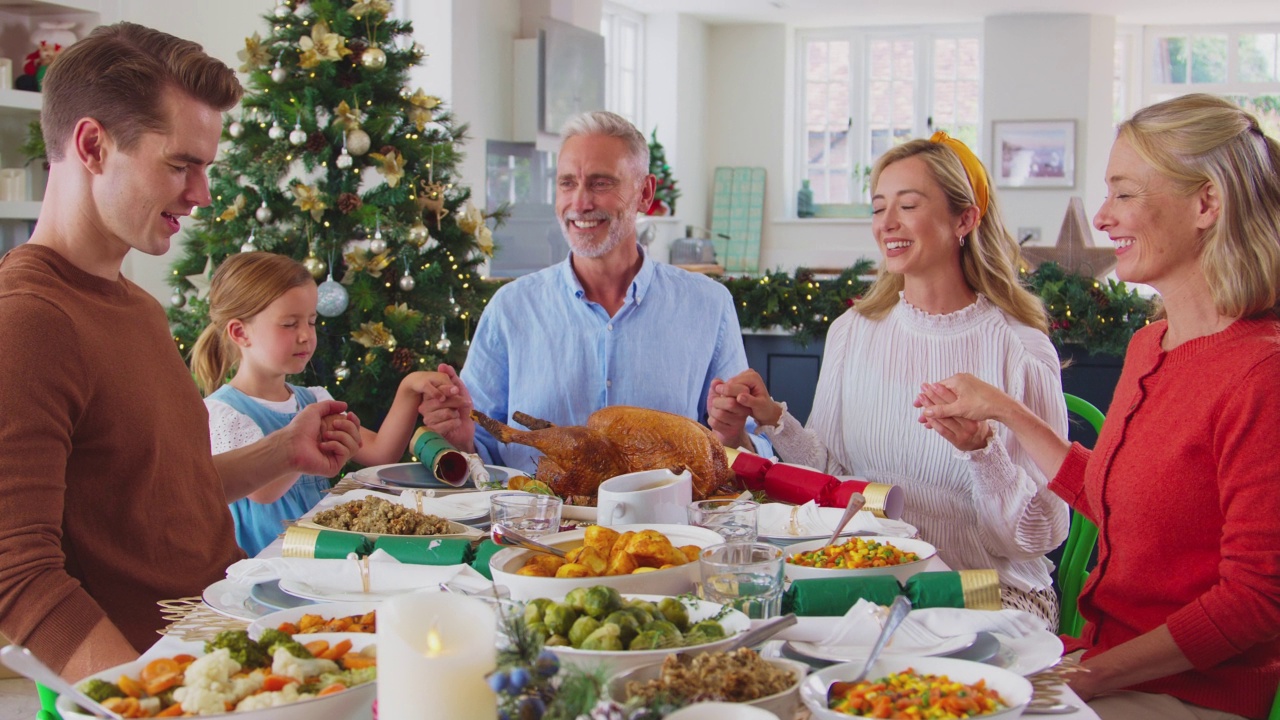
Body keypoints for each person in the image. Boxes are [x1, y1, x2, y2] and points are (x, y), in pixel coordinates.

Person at [0, 23, 361, 679]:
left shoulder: (135, 307)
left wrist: (283, 451)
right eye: (179, 165)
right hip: (166, 678)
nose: (200, 196)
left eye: (205, 167)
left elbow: (164, 492)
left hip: (228, 638)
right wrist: (154, 698)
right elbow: (16, 575)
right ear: (92, 146)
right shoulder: (28, 322)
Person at [918, 94, 1280, 719]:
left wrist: (1082, 676)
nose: (1104, 217)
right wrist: (1002, 409)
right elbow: (1115, 495)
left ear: (1206, 203)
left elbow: (1254, 601)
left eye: (1125, 193)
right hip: (1103, 661)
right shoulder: (1151, 343)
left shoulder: (1261, 373)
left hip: (1186, 694)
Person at [708, 133, 1070, 630]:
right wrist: (775, 420)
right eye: (879, 208)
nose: (888, 224)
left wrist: (983, 452)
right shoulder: (852, 332)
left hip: (987, 588)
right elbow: (835, 479)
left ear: (964, 219)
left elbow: (1038, 534)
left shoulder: (1020, 349)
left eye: (908, 205)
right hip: (870, 581)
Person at [419, 110, 770, 471]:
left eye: (601, 183)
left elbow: (739, 445)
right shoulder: (511, 309)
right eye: (568, 183)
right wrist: (462, 440)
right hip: (538, 527)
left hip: (667, 527)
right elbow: (482, 452)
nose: (580, 203)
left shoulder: (707, 306)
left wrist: (734, 435)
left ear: (645, 193)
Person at [190, 252, 460, 556]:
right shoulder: (224, 413)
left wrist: (408, 389)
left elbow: (381, 451)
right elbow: (263, 492)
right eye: (290, 324)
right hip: (267, 563)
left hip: (320, 555)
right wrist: (302, 445)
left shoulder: (313, 400)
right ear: (240, 332)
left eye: (312, 321)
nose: (306, 335)